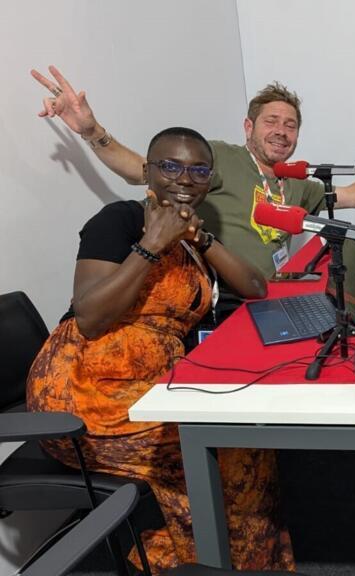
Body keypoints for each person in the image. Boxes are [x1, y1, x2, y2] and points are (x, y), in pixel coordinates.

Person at [26, 127, 294, 573]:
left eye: (198, 169)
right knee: (224, 450)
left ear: (209, 179)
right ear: (148, 172)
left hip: (151, 388)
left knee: (242, 441)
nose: (183, 178)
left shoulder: (192, 239)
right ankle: (205, 561)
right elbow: (91, 316)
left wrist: (201, 239)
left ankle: (231, 560)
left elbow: (255, 286)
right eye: (170, 166)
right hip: (83, 395)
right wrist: (150, 244)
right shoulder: (120, 220)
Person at [32, 65, 355, 312]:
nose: (281, 132)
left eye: (290, 125)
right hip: (228, 298)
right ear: (249, 127)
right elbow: (142, 171)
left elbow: (351, 196)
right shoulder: (219, 157)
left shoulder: (296, 179)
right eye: (271, 121)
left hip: (272, 291)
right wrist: (92, 131)